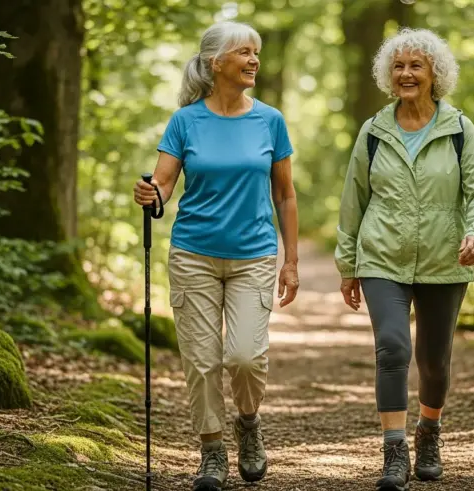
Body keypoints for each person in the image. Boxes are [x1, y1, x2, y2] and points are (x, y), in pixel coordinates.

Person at [133, 21, 299, 491]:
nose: (253, 61)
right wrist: (151, 194)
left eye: (256, 53)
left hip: (254, 256)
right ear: (215, 62)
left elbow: (285, 194)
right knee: (201, 361)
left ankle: (248, 423)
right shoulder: (186, 120)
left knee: (245, 357)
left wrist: (291, 262)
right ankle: (211, 451)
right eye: (244, 52)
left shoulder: (270, 120)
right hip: (194, 254)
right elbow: (164, 183)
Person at [335, 28, 474, 491]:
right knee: (393, 347)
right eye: (399, 66)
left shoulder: (460, 131)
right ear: (389, 75)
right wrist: (348, 264)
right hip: (381, 257)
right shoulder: (373, 131)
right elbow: (354, 201)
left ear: (434, 75)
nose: (406, 74)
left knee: (433, 359)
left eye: (416, 66)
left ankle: (429, 432)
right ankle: (393, 451)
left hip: (445, 257)